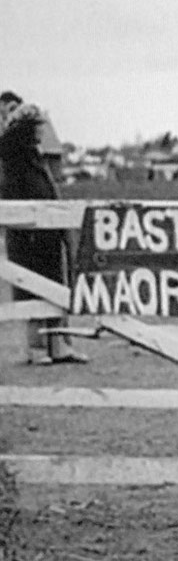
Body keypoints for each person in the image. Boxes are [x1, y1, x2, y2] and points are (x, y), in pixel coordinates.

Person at [0, 91, 87, 365]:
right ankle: (38, 347)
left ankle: (59, 344)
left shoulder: (32, 152)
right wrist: (16, 118)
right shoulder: (13, 151)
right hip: (27, 227)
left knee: (53, 281)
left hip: (47, 224)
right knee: (30, 285)